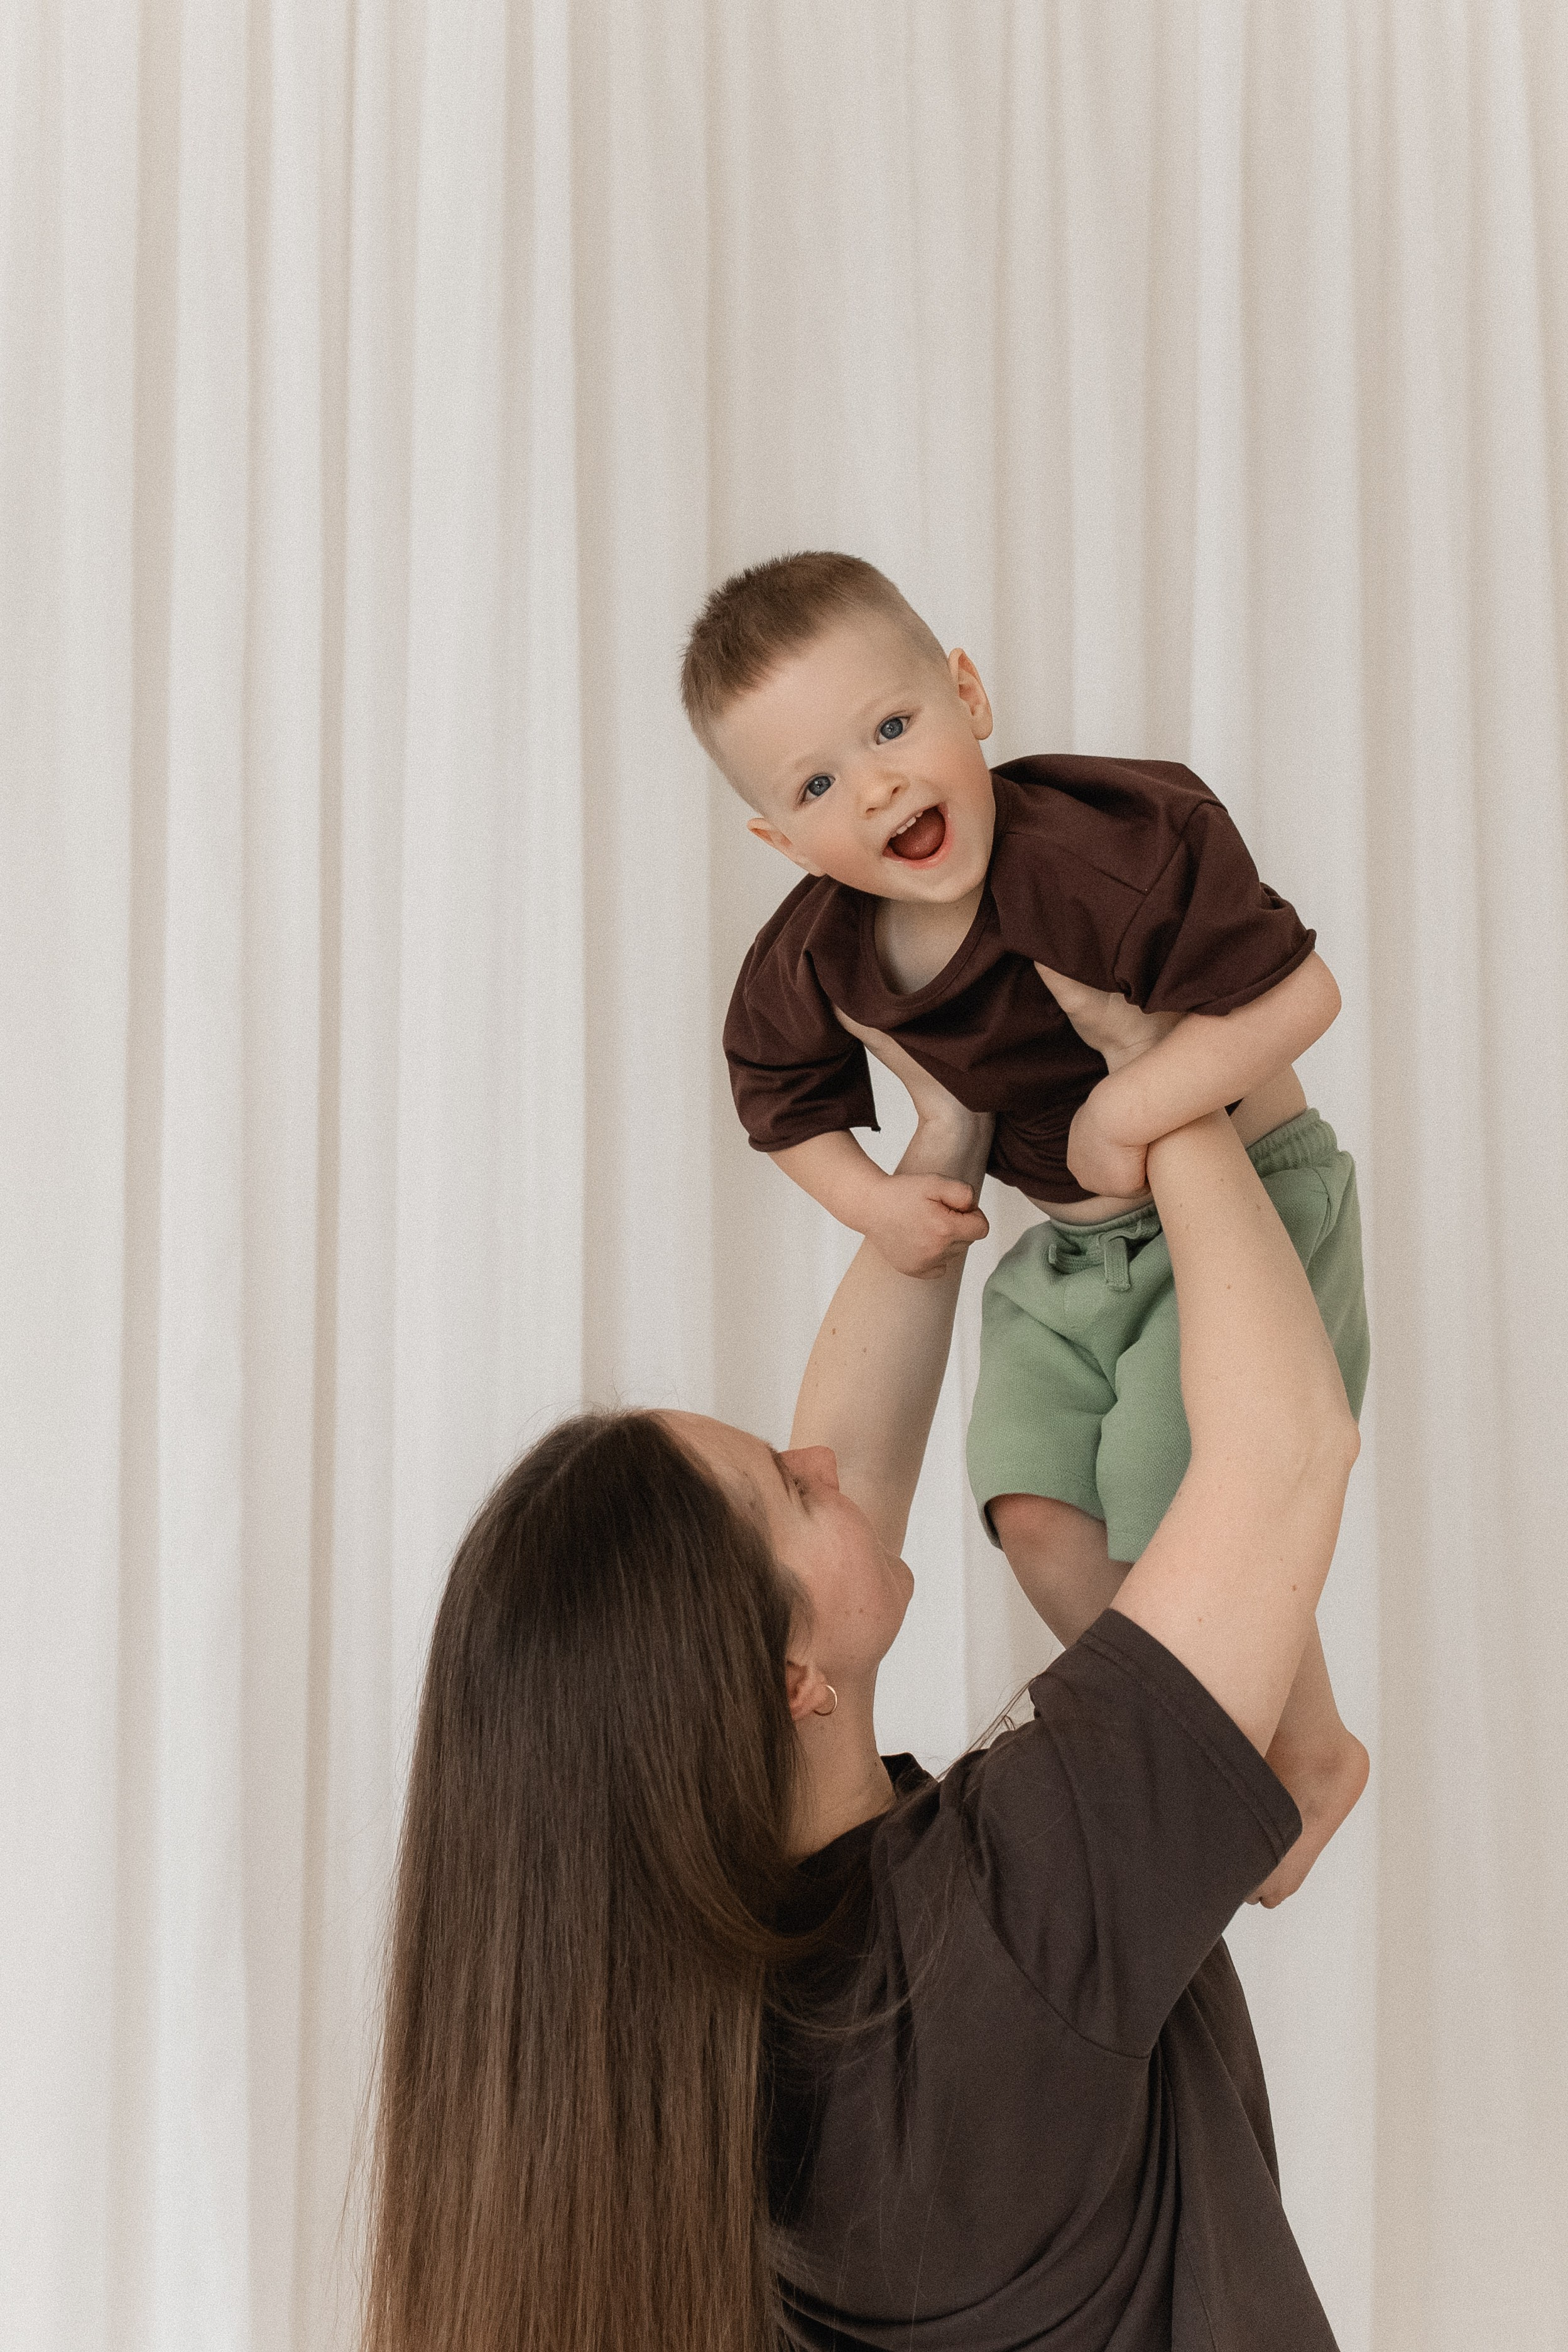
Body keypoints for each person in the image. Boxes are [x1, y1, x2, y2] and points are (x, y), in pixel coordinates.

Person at [360, 993, 1359, 2352]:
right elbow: (1281, 1450)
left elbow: (844, 1491)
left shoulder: (701, 2044)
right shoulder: (1001, 1927)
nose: (821, 1458)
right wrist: (1159, 1082)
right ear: (787, 1686)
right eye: (786, 1484)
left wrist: (947, 1141)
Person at [683, 550, 1369, 1902]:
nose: (876, 787)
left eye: (892, 728)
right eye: (818, 785)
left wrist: (1146, 1103)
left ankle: (1307, 1748)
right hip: (1071, 1250)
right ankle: (1176, 1755)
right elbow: (779, 1104)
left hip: (1246, 1192)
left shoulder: (1100, 849)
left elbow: (1302, 997)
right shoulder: (815, 956)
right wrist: (880, 1200)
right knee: (1036, 1506)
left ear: (968, 695)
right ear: (779, 840)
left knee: (1189, 1481)